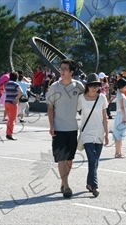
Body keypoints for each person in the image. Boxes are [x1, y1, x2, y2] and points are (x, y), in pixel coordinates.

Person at [46, 59, 85, 198]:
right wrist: (51, 125)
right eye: (61, 68)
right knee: (61, 158)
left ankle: (63, 181)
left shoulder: (78, 86)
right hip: (58, 128)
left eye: (65, 69)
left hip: (72, 128)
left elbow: (88, 98)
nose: (61, 71)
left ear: (72, 72)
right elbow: (50, 107)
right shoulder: (54, 87)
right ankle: (67, 185)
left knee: (69, 159)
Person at [77, 73, 109, 197]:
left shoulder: (102, 98)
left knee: (96, 161)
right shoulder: (81, 98)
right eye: (92, 85)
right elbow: (73, 109)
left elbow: (105, 117)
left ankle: (89, 183)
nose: (94, 88)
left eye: (96, 85)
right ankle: (95, 185)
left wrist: (106, 134)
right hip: (87, 132)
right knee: (92, 158)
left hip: (99, 132)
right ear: (87, 86)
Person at [113, 78, 126, 158]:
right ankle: (117, 153)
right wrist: (125, 117)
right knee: (119, 135)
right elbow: (122, 107)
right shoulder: (121, 95)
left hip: (120, 115)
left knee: (120, 135)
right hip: (121, 115)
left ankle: (119, 152)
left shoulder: (119, 94)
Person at [5, 72, 23, 140]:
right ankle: (10, 134)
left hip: (6, 102)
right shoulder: (15, 84)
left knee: (9, 119)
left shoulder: (7, 84)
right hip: (13, 103)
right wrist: (16, 99)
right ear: (16, 78)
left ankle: (8, 132)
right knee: (12, 120)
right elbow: (21, 92)